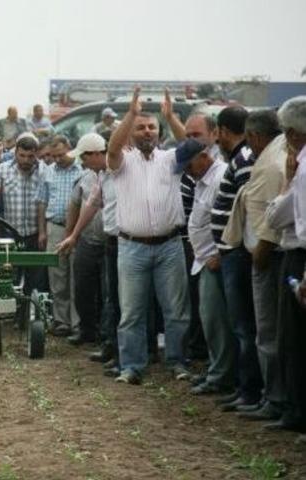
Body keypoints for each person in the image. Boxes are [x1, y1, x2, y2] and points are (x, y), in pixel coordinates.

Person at [106, 87, 191, 385]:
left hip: (169, 245)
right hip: (132, 247)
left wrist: (170, 117)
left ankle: (177, 362)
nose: (146, 132)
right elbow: (112, 150)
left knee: (176, 311)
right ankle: (132, 366)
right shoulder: (122, 162)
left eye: (151, 127)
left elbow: (192, 146)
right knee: (131, 313)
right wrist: (130, 114)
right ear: (131, 133)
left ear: (158, 131)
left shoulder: (170, 159)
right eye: (140, 127)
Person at [224, 120, 288, 422]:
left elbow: (271, 218)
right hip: (264, 254)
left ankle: (275, 398)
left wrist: (260, 252)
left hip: (269, 256)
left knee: (268, 333)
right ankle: (271, 396)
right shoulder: (275, 156)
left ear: (254, 136)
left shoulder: (273, 162)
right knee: (264, 331)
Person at [211, 107, 264, 413]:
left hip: (239, 254)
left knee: (245, 326)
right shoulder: (239, 158)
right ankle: (245, 388)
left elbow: (251, 211)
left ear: (221, 131)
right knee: (241, 325)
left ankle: (250, 391)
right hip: (232, 252)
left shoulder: (244, 161)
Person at [177, 139, 235, 395]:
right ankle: (216, 370)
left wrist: (220, 254)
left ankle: (222, 376)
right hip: (204, 260)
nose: (187, 171)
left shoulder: (221, 177)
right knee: (210, 320)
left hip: (216, 259)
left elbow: (232, 219)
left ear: (203, 156)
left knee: (217, 321)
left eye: (189, 165)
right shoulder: (202, 179)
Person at [264, 96, 306, 434]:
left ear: (292, 133)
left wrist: (288, 182)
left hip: (299, 257)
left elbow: (278, 217)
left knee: (292, 338)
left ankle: (296, 411)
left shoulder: (302, 168)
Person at [0, 135, 47, 294]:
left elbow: (43, 203)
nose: (25, 160)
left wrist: (43, 232)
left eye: (30, 156)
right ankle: (14, 313)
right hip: (11, 233)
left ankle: (33, 313)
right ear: (15, 153)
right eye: (22, 156)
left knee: (35, 279)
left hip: (35, 234)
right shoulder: (2, 170)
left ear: (36, 154)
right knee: (11, 277)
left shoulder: (44, 170)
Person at [63, 133, 107, 346]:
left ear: (96, 154)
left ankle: (105, 334)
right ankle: (87, 330)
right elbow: (74, 206)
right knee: (83, 289)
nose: (81, 161)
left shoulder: (113, 174)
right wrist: (71, 235)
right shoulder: (83, 178)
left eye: (84, 156)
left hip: (110, 243)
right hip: (88, 240)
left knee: (107, 292)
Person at [38, 135, 83, 337]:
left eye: (61, 155)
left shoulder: (83, 170)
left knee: (77, 276)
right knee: (57, 276)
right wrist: (42, 231)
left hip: (78, 229)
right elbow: (42, 202)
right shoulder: (47, 172)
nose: (57, 159)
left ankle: (77, 323)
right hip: (55, 227)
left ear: (70, 149)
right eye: (53, 156)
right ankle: (61, 320)